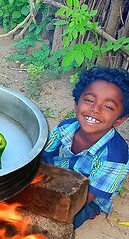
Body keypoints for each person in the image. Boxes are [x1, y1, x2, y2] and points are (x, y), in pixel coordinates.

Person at [43, 67, 129, 229]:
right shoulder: (65, 128)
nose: (95, 109)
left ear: (119, 120)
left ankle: (91, 212)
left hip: (88, 197)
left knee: (59, 223)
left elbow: (83, 198)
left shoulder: (115, 157)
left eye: (108, 107)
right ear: (76, 104)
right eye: (89, 100)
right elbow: (43, 155)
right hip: (58, 176)